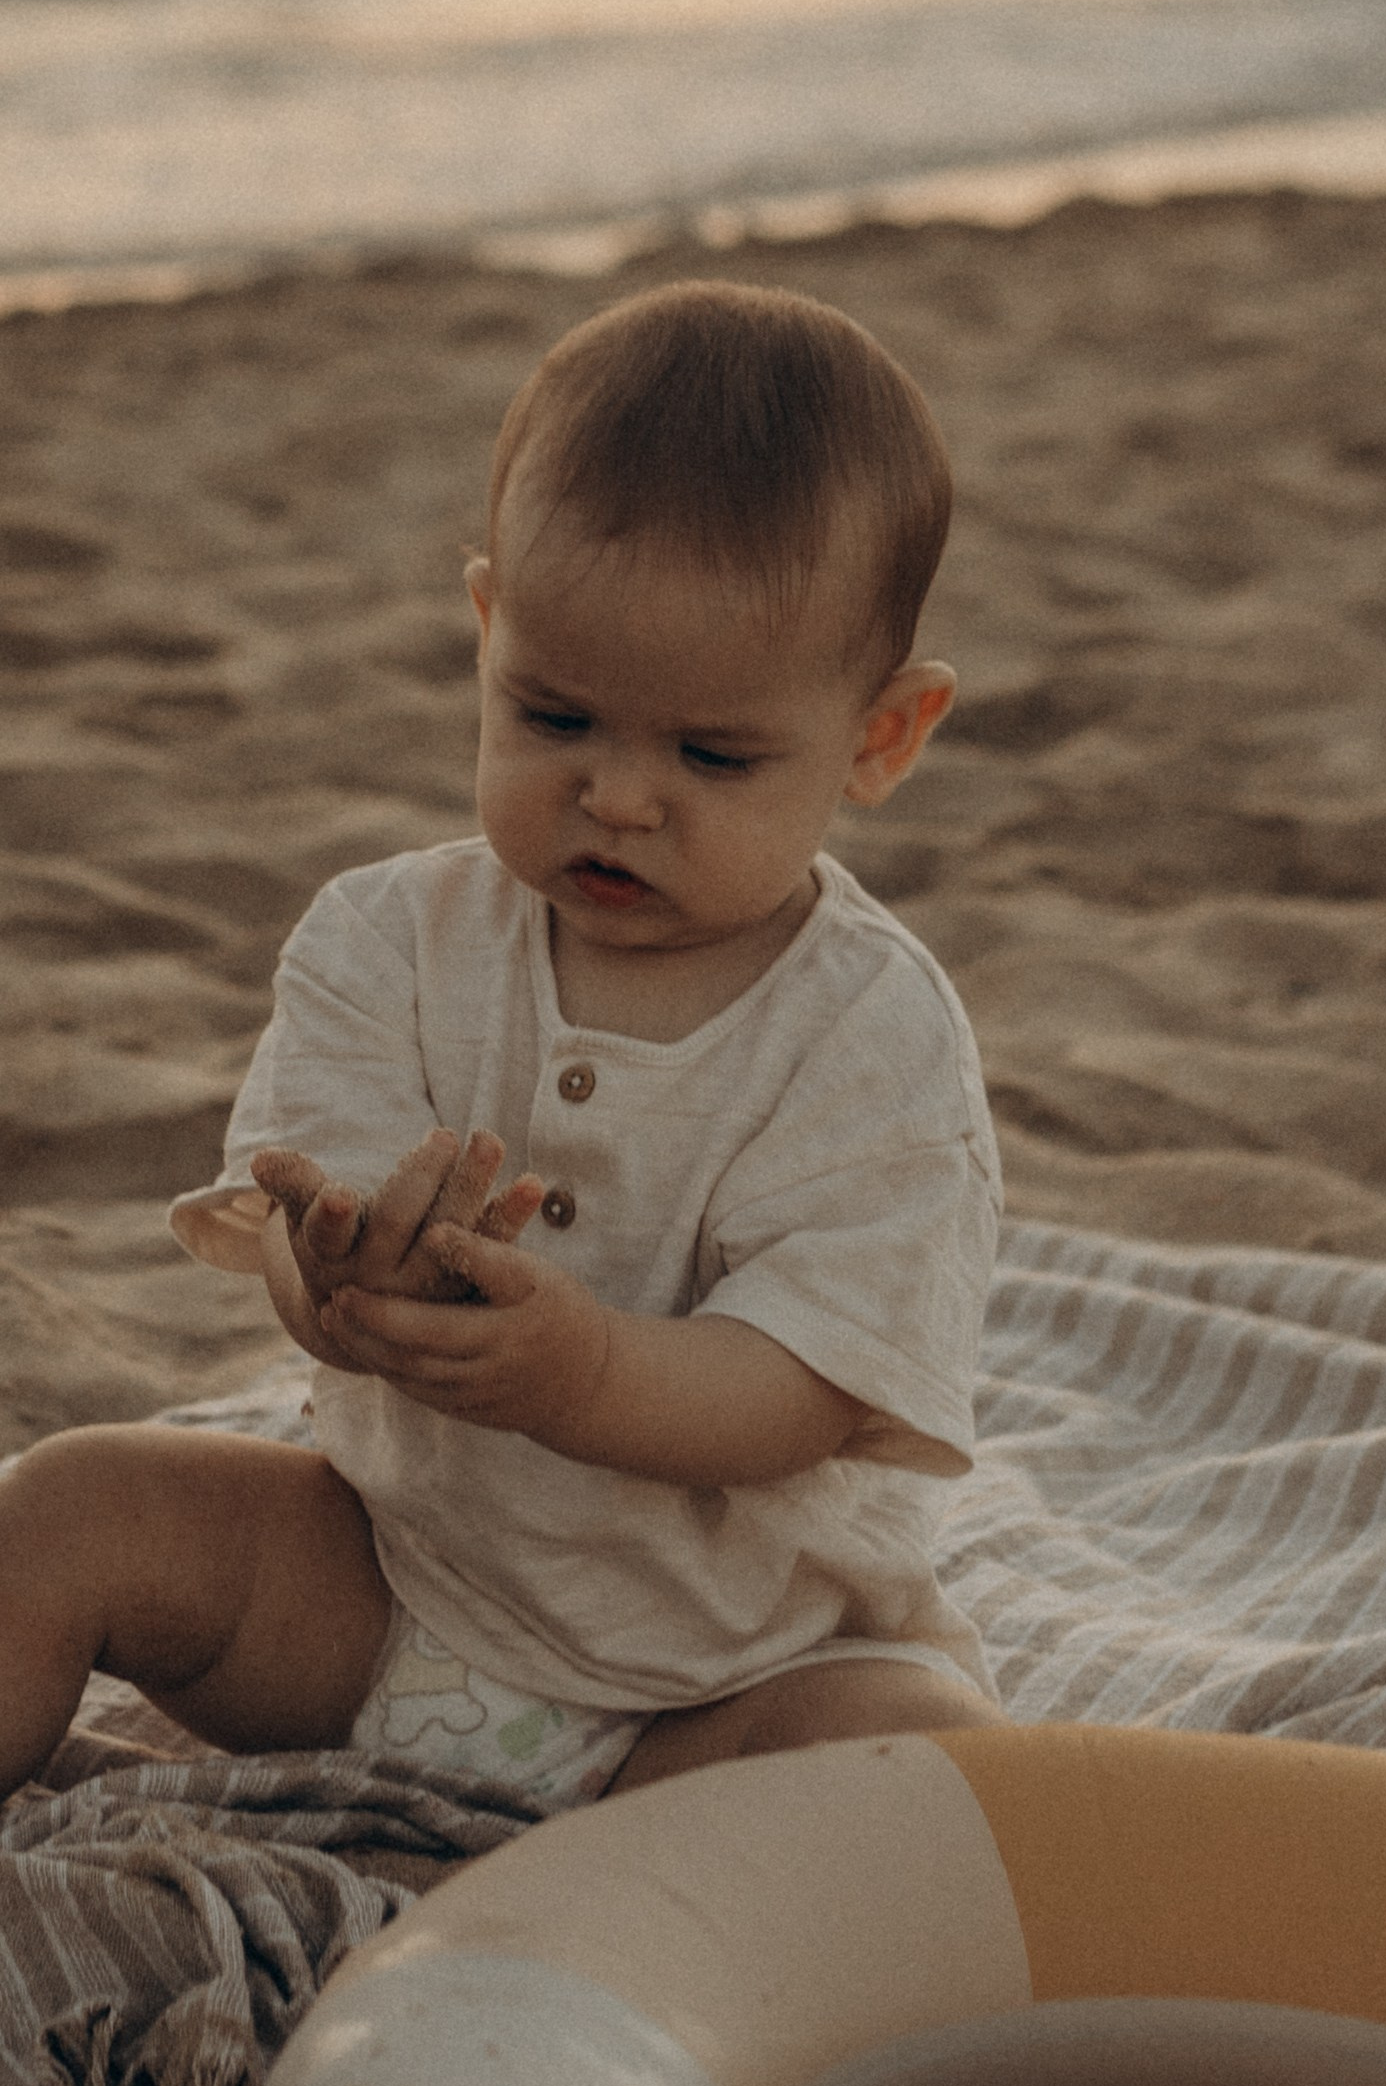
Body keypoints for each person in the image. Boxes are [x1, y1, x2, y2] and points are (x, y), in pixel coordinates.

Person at [0, 280, 1004, 1808]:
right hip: (389, 1597)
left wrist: (579, 1368)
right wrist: (337, 1278)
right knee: (64, 1507)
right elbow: (293, 1213)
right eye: (554, 718)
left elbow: (806, 1387)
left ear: (882, 738)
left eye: (711, 753)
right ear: (487, 633)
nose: (617, 795)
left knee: (932, 1761)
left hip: (723, 1682)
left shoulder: (870, 1030)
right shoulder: (386, 940)